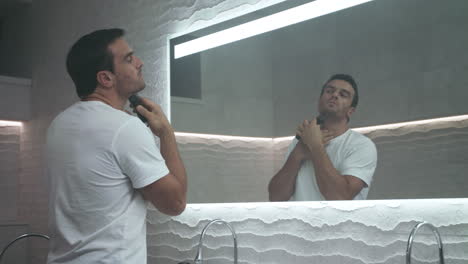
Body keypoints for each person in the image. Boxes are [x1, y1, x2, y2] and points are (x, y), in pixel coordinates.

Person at [46, 28, 187, 263]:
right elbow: (175, 203)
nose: (139, 63)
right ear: (106, 78)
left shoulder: (58, 125)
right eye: (129, 59)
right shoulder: (124, 128)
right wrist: (166, 133)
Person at [268, 74, 377, 201]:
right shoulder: (301, 142)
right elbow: (276, 197)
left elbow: (340, 197)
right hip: (301, 220)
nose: (334, 95)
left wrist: (315, 147)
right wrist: (298, 153)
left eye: (343, 95)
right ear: (320, 101)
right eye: (329, 91)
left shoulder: (361, 145)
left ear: (350, 111)